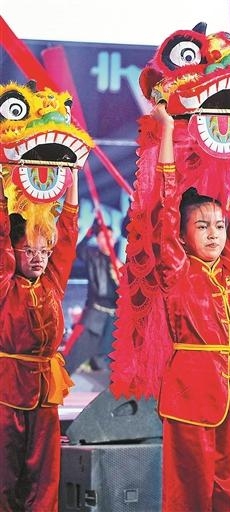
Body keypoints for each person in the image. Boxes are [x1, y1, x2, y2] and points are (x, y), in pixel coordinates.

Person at [150, 103, 230, 510]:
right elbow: (164, 207)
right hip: (190, 395)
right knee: (190, 496)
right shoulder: (178, 268)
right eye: (202, 226)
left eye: (218, 225)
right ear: (182, 235)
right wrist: (166, 130)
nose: (214, 234)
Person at [0, 171, 79, 511]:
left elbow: (69, 236)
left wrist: (72, 177)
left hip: (46, 391)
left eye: (43, 251)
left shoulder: (52, 284)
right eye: (28, 250)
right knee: (4, 473)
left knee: (46, 477)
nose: (37, 257)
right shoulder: (5, 285)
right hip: (6, 391)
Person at [63, 218, 122, 375]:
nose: (106, 240)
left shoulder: (119, 264)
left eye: (109, 236)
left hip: (114, 321)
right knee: (73, 356)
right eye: (102, 236)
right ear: (98, 239)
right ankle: (51, 388)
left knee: (112, 364)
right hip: (95, 316)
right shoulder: (92, 256)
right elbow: (77, 251)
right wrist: (90, 233)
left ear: (114, 239)